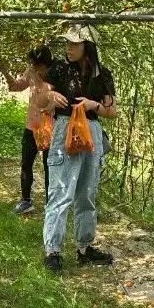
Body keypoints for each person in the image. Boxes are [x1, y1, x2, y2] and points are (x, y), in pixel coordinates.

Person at [39, 24, 117, 273]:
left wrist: (94, 104)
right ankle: (53, 250)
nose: (68, 48)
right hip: (65, 128)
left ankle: (85, 246)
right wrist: (50, 98)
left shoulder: (102, 75)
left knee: (87, 193)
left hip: (91, 132)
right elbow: (41, 99)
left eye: (74, 44)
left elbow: (111, 111)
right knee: (61, 192)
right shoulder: (59, 69)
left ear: (88, 47)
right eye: (67, 44)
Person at [1, 45, 54, 214]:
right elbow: (16, 86)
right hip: (32, 126)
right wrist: (5, 72)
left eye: (39, 66)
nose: (36, 69)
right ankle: (25, 201)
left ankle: (50, 202)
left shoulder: (56, 74)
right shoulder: (31, 72)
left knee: (50, 165)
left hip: (51, 127)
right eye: (33, 65)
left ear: (47, 64)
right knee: (26, 163)